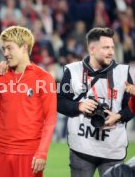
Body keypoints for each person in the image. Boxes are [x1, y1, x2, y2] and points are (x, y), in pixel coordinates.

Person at [57, 27, 134, 177]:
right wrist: (79, 106)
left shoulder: (122, 73)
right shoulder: (73, 71)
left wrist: (119, 116)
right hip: (81, 150)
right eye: (106, 47)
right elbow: (58, 101)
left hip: (112, 150)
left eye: (112, 47)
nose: (111, 52)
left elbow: (132, 106)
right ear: (92, 49)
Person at [0, 26, 57, 177]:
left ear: (24, 47)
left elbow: (50, 118)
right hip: (2, 152)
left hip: (29, 153)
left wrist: (42, 152)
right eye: (4, 49)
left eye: (9, 48)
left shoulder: (43, 78)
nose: (5, 54)